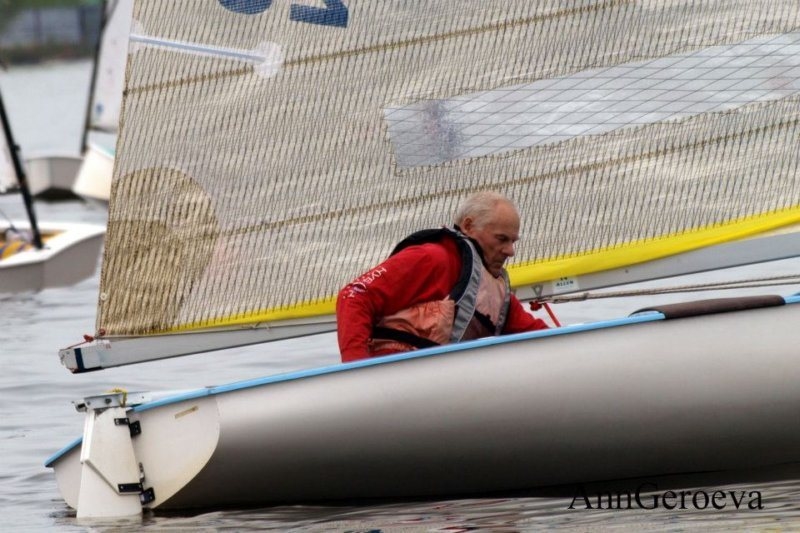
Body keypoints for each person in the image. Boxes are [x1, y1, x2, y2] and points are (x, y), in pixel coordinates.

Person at [336, 191, 549, 362]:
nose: (510, 251)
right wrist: (357, 368)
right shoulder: (431, 258)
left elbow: (540, 337)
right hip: (391, 377)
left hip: (442, 384)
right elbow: (354, 296)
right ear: (468, 226)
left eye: (513, 241)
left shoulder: (498, 296)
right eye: (502, 239)